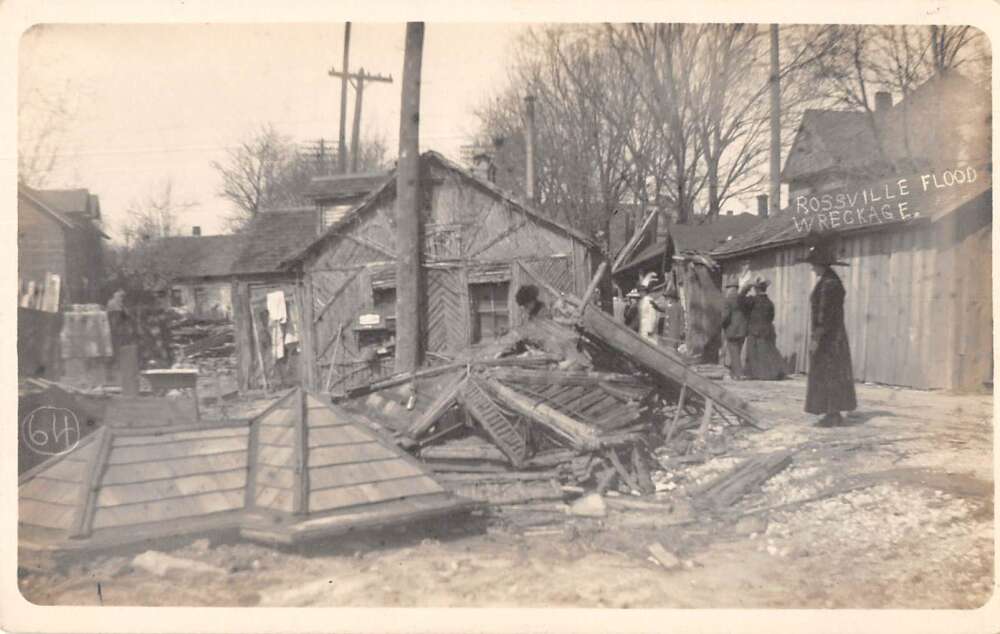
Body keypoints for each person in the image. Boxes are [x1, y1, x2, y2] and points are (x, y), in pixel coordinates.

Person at [800, 239, 857, 426]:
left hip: (829, 338)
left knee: (829, 373)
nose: (812, 269)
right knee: (830, 373)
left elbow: (825, 315)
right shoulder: (829, 280)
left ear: (821, 264)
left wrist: (817, 337)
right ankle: (831, 412)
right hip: (832, 335)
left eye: (813, 265)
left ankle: (833, 414)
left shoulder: (829, 284)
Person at [742, 277, 786, 380]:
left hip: (754, 329)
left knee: (753, 353)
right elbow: (771, 317)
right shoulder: (770, 302)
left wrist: (746, 287)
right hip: (767, 330)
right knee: (767, 352)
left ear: (756, 289)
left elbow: (740, 300)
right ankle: (772, 372)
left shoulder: (753, 300)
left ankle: (756, 374)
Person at [721, 278, 749, 379]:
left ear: (729, 288)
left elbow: (725, 316)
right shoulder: (743, 299)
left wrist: (721, 325)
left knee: (734, 353)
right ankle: (734, 374)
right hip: (742, 329)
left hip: (731, 329)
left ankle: (739, 374)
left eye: (727, 288)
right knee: (738, 351)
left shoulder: (728, 299)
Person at [638, 274, 664, 344]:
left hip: (649, 329)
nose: (640, 293)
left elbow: (652, 315)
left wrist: (651, 328)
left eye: (642, 291)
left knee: (650, 344)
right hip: (644, 328)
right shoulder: (643, 301)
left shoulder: (649, 301)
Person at [661, 283, 685, 351]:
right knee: (667, 348)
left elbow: (682, 320)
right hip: (667, 332)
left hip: (674, 332)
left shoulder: (679, 307)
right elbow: (666, 320)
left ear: (673, 298)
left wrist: (681, 331)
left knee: (673, 348)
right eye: (667, 297)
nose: (668, 299)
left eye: (669, 297)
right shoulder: (668, 307)